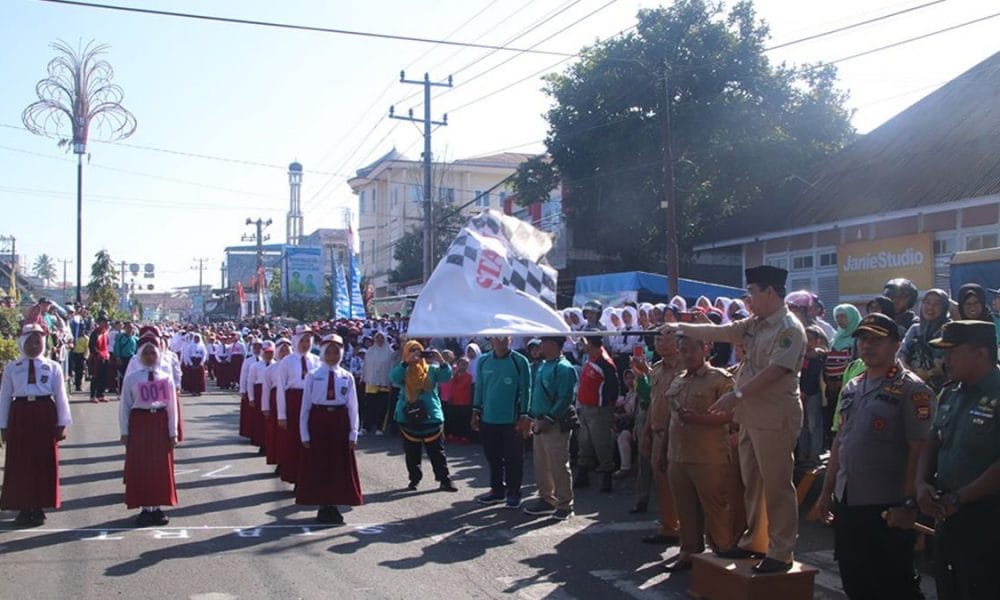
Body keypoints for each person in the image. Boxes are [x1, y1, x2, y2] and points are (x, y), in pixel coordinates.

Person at [665, 265, 806, 573]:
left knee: (777, 484)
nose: (748, 298)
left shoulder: (789, 328)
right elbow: (721, 332)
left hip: (774, 416)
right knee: (752, 482)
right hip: (751, 417)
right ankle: (756, 541)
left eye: (752, 292)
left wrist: (737, 395)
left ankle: (781, 551)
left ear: (769, 291)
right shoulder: (756, 323)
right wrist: (681, 326)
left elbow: (776, 371)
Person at [813, 313, 933, 600]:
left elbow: (920, 449)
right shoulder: (854, 385)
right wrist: (826, 493)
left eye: (877, 340)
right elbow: (841, 441)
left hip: (885, 507)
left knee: (894, 584)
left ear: (896, 344)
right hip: (849, 501)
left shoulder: (912, 389)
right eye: (864, 339)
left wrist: (908, 504)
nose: (868, 346)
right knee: (855, 580)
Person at [916, 320, 1000, 600]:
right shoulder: (950, 392)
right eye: (943, 351)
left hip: (988, 522)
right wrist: (921, 484)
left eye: (953, 351)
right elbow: (933, 441)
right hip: (949, 518)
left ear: (981, 353)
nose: (945, 359)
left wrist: (960, 498)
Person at [663, 335, 740, 572]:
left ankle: (722, 552)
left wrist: (699, 420)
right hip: (678, 455)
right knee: (685, 509)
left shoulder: (720, 379)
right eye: (683, 350)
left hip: (709, 457)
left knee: (715, 507)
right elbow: (671, 418)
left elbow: (732, 415)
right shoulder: (678, 380)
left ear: (705, 349)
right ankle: (689, 551)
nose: (687, 355)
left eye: (692, 350)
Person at [0, 324, 72, 527]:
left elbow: (60, 396)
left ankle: (40, 505)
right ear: (22, 343)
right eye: (30, 341)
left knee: (43, 460)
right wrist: (3, 426)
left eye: (38, 341)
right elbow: (5, 397)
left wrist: (62, 423)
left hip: (44, 413)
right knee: (20, 461)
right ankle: (23, 506)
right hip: (20, 413)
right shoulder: (12, 368)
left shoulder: (52, 367)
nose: (34, 346)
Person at [297, 334, 363, 524]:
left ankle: (334, 504)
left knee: (337, 465)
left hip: (339, 423)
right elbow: (305, 407)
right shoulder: (313, 375)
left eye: (336, 352)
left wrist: (353, 432)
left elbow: (353, 407)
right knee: (320, 464)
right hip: (319, 421)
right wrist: (304, 433)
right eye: (329, 352)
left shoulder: (346, 376)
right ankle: (322, 504)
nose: (332, 356)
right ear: (323, 353)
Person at [119, 334, 179, 527]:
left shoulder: (165, 378)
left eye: (153, 352)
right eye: (146, 352)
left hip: (159, 422)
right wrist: (125, 431)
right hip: (140, 422)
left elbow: (172, 408)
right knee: (142, 466)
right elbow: (125, 406)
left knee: (159, 467)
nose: (150, 355)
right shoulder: (132, 379)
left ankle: (157, 507)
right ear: (139, 355)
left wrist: (173, 432)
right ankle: (145, 507)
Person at [471, 336, 532, 508]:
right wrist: (475, 411)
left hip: (511, 420)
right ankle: (497, 491)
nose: (501, 341)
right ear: (492, 340)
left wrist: (524, 415)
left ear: (510, 339)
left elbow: (526, 389)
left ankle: (514, 493)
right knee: (493, 457)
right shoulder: (483, 360)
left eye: (505, 337)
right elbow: (480, 387)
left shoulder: (519, 361)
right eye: (497, 337)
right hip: (488, 418)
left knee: (514, 458)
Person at [522, 336, 579, 521]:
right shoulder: (543, 366)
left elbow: (565, 398)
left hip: (554, 424)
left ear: (552, 345)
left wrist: (549, 418)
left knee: (558, 464)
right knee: (541, 464)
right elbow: (536, 394)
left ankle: (565, 504)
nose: (540, 347)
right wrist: (530, 416)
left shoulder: (564, 368)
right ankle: (547, 499)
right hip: (540, 421)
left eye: (543, 343)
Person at [635, 329, 683, 539]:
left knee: (681, 484)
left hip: (680, 434)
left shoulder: (686, 367)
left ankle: (686, 530)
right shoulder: (656, 369)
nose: (661, 343)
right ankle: (669, 526)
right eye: (657, 339)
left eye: (667, 338)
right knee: (661, 482)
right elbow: (654, 404)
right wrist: (646, 433)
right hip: (658, 433)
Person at [391, 341, 457, 492]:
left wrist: (441, 361)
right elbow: (394, 378)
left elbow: (446, 377)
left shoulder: (432, 369)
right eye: (412, 350)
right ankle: (414, 479)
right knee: (411, 452)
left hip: (431, 415)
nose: (416, 353)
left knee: (437, 452)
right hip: (408, 416)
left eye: (418, 350)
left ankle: (444, 480)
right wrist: (406, 363)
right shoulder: (403, 369)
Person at [574, 336, 620, 492]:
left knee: (602, 444)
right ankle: (582, 476)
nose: (581, 345)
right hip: (586, 408)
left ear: (590, 343)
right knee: (584, 442)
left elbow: (614, 388)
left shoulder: (605, 362)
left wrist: (608, 408)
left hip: (599, 410)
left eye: (583, 341)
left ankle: (607, 479)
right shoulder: (590, 358)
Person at [276, 327, 320, 484]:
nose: (305, 344)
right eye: (302, 340)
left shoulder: (316, 360)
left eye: (308, 340)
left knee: (310, 440)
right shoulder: (287, 361)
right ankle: (294, 476)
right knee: (294, 440)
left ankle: (309, 476)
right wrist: (282, 414)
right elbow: (281, 388)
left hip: (312, 401)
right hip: (294, 401)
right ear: (295, 341)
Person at [898, 289, 951, 393]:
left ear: (944, 307)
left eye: (937, 304)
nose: (930, 307)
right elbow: (901, 354)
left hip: (940, 389)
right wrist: (911, 374)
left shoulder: (949, 330)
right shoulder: (915, 329)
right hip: (911, 385)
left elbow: (946, 364)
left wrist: (927, 374)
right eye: (927, 302)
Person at [798, 326, 828, 468]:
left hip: (813, 394)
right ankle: (803, 452)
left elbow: (814, 377)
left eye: (811, 340)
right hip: (799, 393)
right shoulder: (799, 354)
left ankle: (814, 453)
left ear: (817, 341)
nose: (807, 343)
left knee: (813, 424)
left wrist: (805, 392)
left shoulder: (818, 356)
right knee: (802, 425)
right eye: (806, 339)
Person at [264, 338, 291, 468]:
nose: (285, 352)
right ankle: (279, 460)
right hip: (275, 402)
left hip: (291, 401)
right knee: (277, 433)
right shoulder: (271, 369)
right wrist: (266, 407)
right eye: (282, 350)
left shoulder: (295, 366)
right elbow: (266, 389)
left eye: (287, 349)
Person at [362, 331, 395, 435]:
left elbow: (391, 367)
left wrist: (389, 381)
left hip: (384, 383)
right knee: (369, 406)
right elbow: (366, 366)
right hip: (371, 382)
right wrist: (365, 378)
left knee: (382, 407)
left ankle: (380, 427)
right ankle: (366, 427)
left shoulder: (390, 352)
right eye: (377, 338)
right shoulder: (370, 352)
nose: (379, 340)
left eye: (381, 338)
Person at [248, 341, 274, 451]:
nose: (268, 355)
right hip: (259, 392)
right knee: (260, 419)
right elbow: (250, 382)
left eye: (271, 353)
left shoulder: (277, 365)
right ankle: (262, 443)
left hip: (271, 392)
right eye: (266, 352)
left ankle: (271, 443)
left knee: (271, 419)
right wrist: (251, 398)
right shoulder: (255, 366)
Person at [612, 370, 638, 478]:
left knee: (623, 437)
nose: (629, 381)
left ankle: (625, 467)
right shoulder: (626, 395)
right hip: (622, 424)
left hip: (634, 425)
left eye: (632, 377)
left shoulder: (639, 394)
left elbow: (635, 414)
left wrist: (620, 416)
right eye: (626, 378)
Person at [238, 338, 262, 440]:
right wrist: (242, 390)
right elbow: (243, 376)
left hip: (261, 390)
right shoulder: (248, 361)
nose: (257, 349)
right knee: (250, 413)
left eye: (259, 347)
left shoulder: (266, 360)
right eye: (255, 347)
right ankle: (249, 432)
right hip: (250, 389)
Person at [88, 315, 112, 403]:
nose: (106, 323)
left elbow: (107, 345)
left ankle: (100, 394)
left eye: (107, 321)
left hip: (105, 357)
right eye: (104, 321)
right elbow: (91, 346)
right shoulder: (95, 333)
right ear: (99, 322)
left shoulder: (105, 332)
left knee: (104, 377)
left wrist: (106, 354)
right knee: (95, 377)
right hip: (96, 359)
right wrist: (97, 353)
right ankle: (93, 396)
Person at [113, 323, 138, 393]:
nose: (130, 329)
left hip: (132, 359)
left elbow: (137, 350)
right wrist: (118, 357)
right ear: (125, 328)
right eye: (128, 328)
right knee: (122, 375)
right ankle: (121, 391)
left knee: (131, 375)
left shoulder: (135, 339)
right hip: (123, 359)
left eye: (131, 328)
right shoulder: (120, 337)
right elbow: (116, 348)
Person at [69, 328, 89, 393]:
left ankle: (79, 385)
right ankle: (77, 385)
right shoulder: (75, 337)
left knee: (81, 371)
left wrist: (85, 357)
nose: (81, 331)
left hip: (81, 355)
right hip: (75, 354)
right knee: (76, 370)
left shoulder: (86, 338)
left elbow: (87, 348)